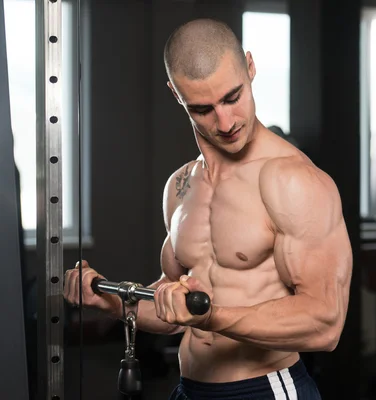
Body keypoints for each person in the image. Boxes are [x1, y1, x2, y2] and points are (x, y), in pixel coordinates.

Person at [63, 18, 353, 400]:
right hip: (189, 389)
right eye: (202, 108)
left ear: (249, 66)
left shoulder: (292, 180)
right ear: (176, 95)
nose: (226, 121)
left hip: (265, 389)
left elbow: (325, 324)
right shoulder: (180, 186)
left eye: (233, 97)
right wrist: (110, 302)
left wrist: (211, 316)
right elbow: (174, 307)